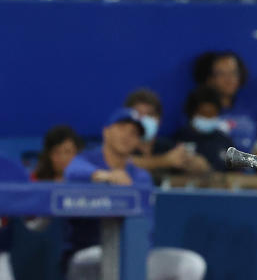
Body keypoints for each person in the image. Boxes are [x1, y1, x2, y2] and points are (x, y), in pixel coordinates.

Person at [63, 109, 206, 280]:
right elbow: (73, 172)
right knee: (106, 258)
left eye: (134, 133)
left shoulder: (141, 177)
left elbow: (145, 225)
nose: (128, 135)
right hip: (91, 251)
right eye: (122, 127)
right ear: (106, 131)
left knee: (191, 264)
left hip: (134, 254)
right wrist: (106, 176)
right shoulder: (86, 161)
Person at [124, 88, 209, 180]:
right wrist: (165, 161)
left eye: (150, 114)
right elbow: (125, 162)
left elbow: (203, 167)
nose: (144, 119)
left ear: (159, 120)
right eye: (139, 114)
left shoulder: (166, 146)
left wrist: (190, 161)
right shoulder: (122, 146)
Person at [192, 51, 257, 152]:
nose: (229, 79)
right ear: (209, 79)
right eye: (221, 74)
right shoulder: (199, 113)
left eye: (234, 73)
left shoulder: (248, 112)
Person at [172, 87, 237, 172]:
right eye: (204, 114)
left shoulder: (225, 141)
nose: (208, 118)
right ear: (192, 114)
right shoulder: (179, 139)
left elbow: (235, 175)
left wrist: (208, 171)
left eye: (212, 114)